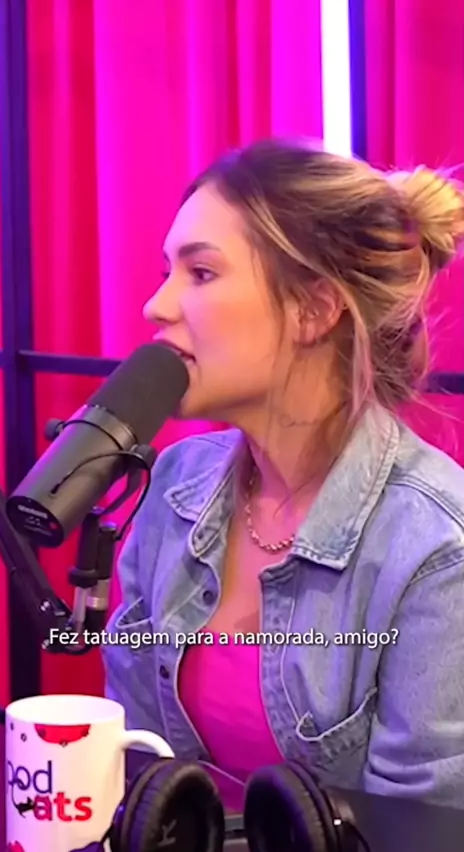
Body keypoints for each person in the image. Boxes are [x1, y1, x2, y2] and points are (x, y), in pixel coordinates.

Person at [102, 138, 464, 812]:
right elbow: (136, 763)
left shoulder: (436, 547)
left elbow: (423, 830)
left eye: (200, 273)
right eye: (166, 271)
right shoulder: (174, 487)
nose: (156, 305)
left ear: (313, 309)